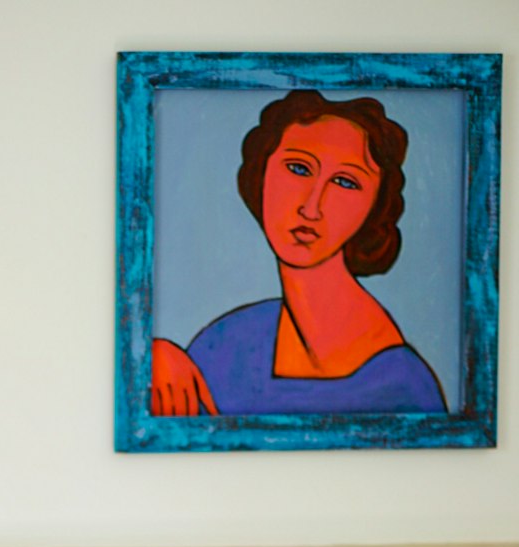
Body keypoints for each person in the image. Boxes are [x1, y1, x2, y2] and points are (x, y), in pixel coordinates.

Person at [151, 90, 446, 417]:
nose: (311, 206)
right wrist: (148, 361)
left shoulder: (403, 387)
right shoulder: (224, 344)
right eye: (299, 168)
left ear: (375, 207)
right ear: (262, 174)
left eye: (345, 182)